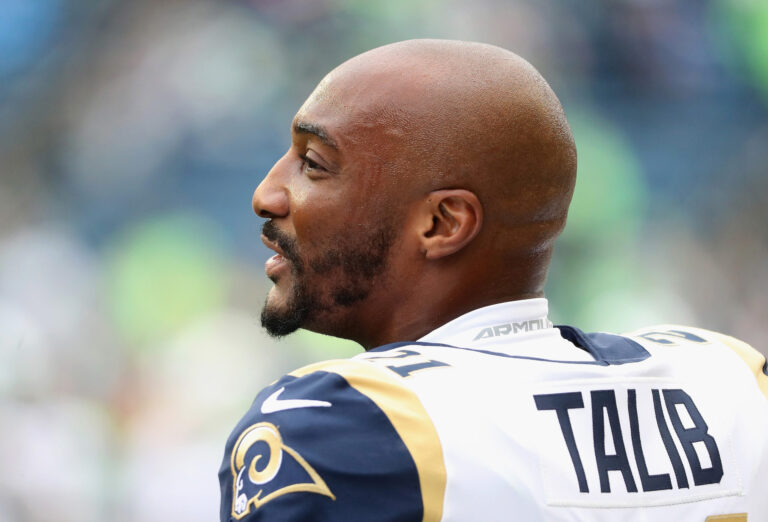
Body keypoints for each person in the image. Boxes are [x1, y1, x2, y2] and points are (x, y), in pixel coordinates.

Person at [219, 39, 768, 521]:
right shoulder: (732, 383)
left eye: (314, 164)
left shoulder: (342, 424)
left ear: (443, 223)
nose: (265, 195)